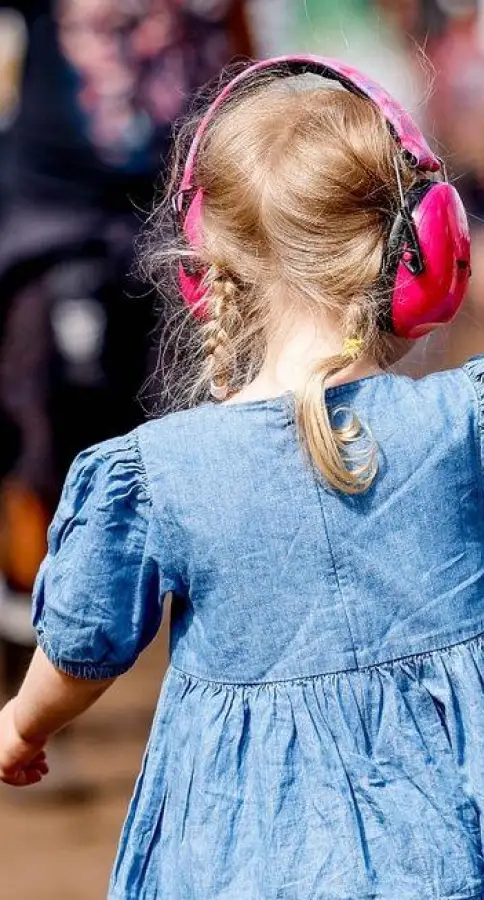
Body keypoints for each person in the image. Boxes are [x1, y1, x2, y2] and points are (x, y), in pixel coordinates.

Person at [0, 56, 484, 897]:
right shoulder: (463, 425)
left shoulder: (157, 476)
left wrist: (21, 723)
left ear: (207, 273)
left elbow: (81, 650)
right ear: (425, 253)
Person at [0, 0, 254, 801]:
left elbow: (239, 50)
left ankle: (234, 704)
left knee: (189, 453)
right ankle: (24, 691)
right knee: (40, 452)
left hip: (174, 220)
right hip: (50, 219)